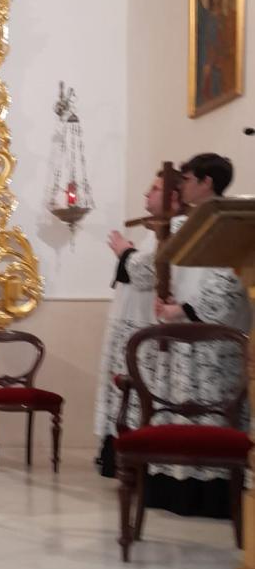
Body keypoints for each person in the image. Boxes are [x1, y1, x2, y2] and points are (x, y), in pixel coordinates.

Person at [148, 153, 250, 516]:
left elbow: (229, 279)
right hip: (185, 333)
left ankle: (210, 495)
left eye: (188, 179)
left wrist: (186, 310)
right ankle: (175, 486)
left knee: (209, 413)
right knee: (178, 411)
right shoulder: (187, 222)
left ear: (207, 182)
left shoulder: (230, 219)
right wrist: (174, 301)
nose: (182, 186)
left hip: (215, 341)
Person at [95, 169, 181, 475]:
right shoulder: (153, 231)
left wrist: (124, 251)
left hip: (143, 326)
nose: (146, 195)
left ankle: (135, 457)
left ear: (173, 195)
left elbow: (146, 274)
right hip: (127, 321)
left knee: (134, 394)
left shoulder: (171, 231)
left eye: (154, 189)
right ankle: (116, 454)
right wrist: (129, 251)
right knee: (118, 392)